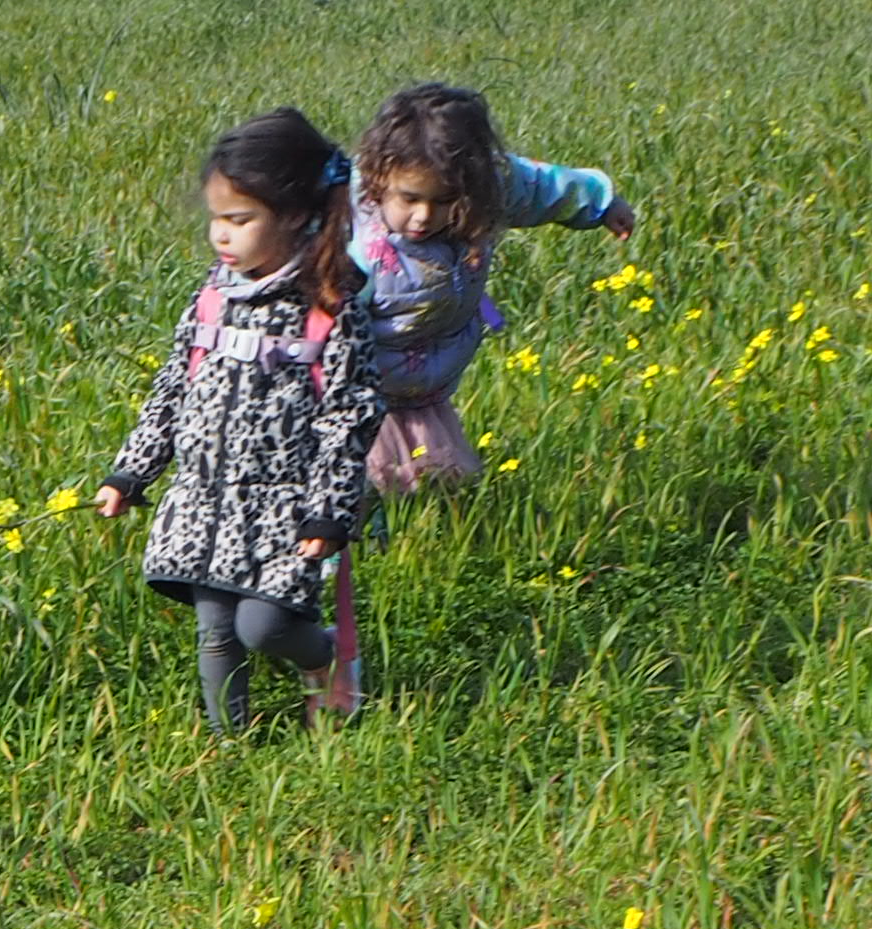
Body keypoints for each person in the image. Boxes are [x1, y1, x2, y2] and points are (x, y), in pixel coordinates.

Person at [93, 108, 389, 734]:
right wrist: (130, 473)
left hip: (286, 506)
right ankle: (229, 747)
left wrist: (330, 512)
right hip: (203, 502)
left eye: (240, 219)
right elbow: (173, 388)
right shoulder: (212, 296)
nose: (221, 236)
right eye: (216, 219)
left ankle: (327, 657)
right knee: (216, 631)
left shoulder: (330, 306)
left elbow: (349, 417)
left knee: (266, 626)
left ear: (294, 215)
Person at [351, 82, 637, 497]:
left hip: (424, 379)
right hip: (355, 384)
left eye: (443, 200)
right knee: (356, 483)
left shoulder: (483, 190)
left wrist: (602, 203)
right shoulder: (351, 227)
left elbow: (541, 186)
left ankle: (423, 530)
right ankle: (354, 542)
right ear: (380, 175)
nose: (424, 215)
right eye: (410, 198)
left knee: (432, 482)